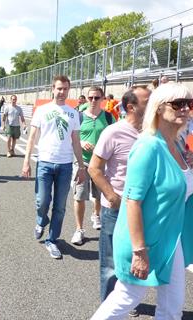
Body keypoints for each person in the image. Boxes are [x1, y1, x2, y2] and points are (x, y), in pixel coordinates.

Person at [91, 82, 193, 319]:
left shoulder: (176, 145)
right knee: (127, 297)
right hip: (144, 239)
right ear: (158, 108)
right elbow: (132, 201)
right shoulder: (148, 146)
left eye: (189, 104)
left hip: (170, 239)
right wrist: (139, 251)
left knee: (172, 305)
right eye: (178, 104)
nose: (185, 109)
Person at [88, 86, 151, 316]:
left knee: (136, 256)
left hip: (143, 209)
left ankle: (127, 300)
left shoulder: (152, 134)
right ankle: (108, 307)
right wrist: (111, 195)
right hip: (116, 210)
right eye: (148, 100)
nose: (153, 103)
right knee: (111, 264)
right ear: (131, 107)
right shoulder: (113, 132)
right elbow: (94, 168)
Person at [22, 75, 85, 259]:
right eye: (59, 88)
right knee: (42, 201)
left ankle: (52, 240)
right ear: (53, 89)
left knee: (60, 206)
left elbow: (76, 141)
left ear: (68, 90)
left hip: (65, 165)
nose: (62, 92)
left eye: (65, 89)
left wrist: (81, 167)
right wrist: (26, 161)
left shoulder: (73, 113)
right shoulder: (42, 110)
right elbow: (32, 137)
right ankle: (41, 221)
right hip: (45, 163)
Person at [71, 87, 115, 246]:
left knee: (98, 195)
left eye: (97, 98)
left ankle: (96, 215)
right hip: (81, 162)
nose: (93, 101)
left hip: (101, 164)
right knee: (79, 195)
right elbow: (71, 137)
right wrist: (81, 143)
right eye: (90, 98)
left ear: (103, 98)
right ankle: (79, 229)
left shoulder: (109, 118)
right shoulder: (79, 116)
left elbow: (114, 138)